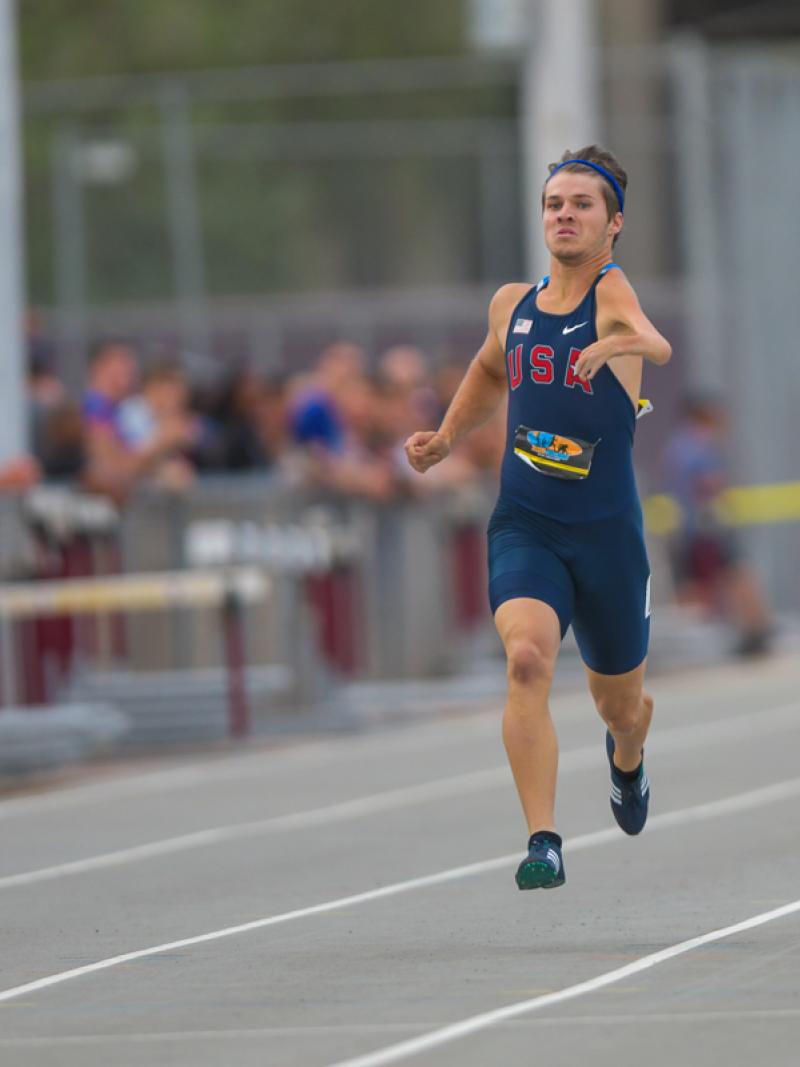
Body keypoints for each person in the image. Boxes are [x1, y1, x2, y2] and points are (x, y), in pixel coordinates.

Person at [405, 145, 672, 890]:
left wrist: (617, 344)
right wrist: (447, 437)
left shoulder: (611, 290)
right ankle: (544, 839)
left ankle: (628, 759)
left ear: (612, 224)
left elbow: (656, 341)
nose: (564, 214)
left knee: (620, 705)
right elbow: (491, 370)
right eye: (555, 203)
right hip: (527, 522)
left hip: (608, 536)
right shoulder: (510, 305)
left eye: (582, 204)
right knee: (526, 660)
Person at [662, 392, 772, 656]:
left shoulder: (676, 445)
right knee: (736, 576)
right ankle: (754, 631)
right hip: (708, 527)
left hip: (689, 528)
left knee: (694, 586)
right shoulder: (700, 443)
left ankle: (689, 645)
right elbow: (708, 483)